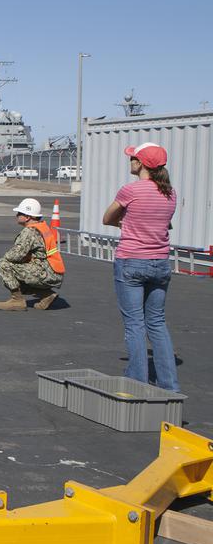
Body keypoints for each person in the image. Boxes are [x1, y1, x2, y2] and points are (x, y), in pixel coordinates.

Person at [102, 142, 179, 391]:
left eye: (133, 158)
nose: (130, 161)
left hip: (132, 261)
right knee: (157, 322)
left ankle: (137, 381)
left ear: (142, 164)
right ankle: (169, 385)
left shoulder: (130, 190)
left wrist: (124, 225)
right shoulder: (170, 193)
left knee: (135, 324)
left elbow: (107, 217)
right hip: (161, 264)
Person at [0, 198, 64, 311]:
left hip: (45, 272)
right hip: (52, 271)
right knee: (20, 271)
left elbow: (15, 255)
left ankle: (17, 300)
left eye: (20, 213)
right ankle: (46, 295)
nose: (17, 215)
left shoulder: (29, 232)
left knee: (4, 264)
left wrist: (8, 257)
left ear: (27, 217)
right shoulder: (42, 226)